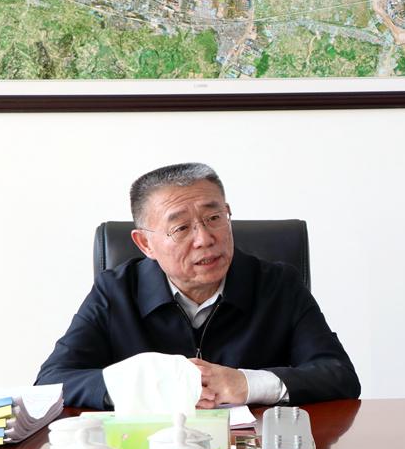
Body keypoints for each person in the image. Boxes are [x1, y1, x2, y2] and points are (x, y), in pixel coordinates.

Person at [36, 162, 361, 409]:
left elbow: (339, 374)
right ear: (145, 244)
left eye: (214, 218)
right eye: (180, 228)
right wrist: (143, 386)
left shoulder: (278, 285)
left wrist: (246, 383)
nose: (205, 239)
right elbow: (51, 383)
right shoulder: (116, 292)